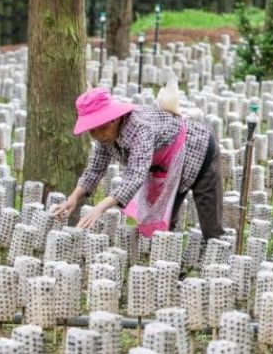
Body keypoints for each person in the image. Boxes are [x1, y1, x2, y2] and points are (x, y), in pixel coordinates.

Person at [50, 86, 224, 241]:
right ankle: (170, 268)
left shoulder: (140, 127)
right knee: (159, 224)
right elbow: (95, 168)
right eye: (92, 131)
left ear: (114, 119)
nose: (98, 135)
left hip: (199, 153)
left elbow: (135, 175)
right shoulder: (106, 137)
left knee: (211, 227)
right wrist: (73, 198)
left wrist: (100, 208)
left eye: (101, 128)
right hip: (167, 169)